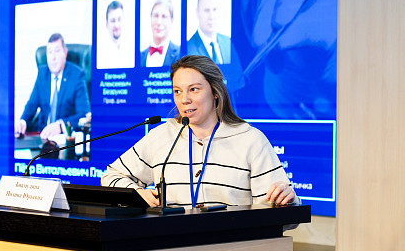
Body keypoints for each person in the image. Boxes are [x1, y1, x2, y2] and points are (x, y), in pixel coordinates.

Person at [102, 55, 298, 209]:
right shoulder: (161, 136)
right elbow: (111, 176)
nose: (184, 99)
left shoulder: (250, 140)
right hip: (170, 244)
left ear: (215, 92)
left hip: (231, 246)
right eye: (177, 91)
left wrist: (286, 202)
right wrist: (137, 193)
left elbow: (280, 212)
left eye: (194, 89)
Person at [15, 33, 90, 140]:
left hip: (65, 139)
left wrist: (60, 125)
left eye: (57, 51)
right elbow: (32, 105)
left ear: (65, 52)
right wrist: (23, 122)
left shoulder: (77, 75)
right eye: (49, 52)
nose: (53, 57)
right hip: (42, 136)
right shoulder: (42, 73)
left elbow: (84, 115)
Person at [187, 0, 245, 101]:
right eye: (206, 10)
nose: (211, 16)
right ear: (197, 13)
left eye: (215, 9)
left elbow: (238, 80)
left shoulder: (227, 41)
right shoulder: (189, 48)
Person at [140, 0, 180, 67]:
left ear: (171, 21)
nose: (159, 22)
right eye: (156, 16)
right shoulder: (140, 56)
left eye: (164, 17)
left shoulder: (180, 54)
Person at [97, 0, 134, 69]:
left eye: (119, 19)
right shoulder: (99, 52)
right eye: (113, 21)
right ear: (107, 24)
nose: (116, 25)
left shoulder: (132, 47)